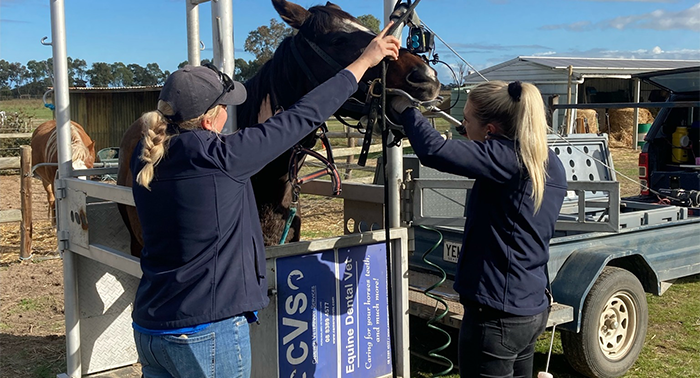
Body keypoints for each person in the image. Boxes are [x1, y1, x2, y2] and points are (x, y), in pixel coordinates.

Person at [129, 24, 400, 378]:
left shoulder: (146, 154)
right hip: (206, 331)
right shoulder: (223, 157)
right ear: (212, 117)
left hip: (151, 327)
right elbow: (304, 115)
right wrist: (365, 61)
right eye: (226, 106)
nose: (230, 112)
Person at [392, 80, 567, 377]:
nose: (463, 125)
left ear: (491, 131)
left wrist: (405, 109)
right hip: (531, 306)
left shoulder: (506, 159)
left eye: (467, 119)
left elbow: (433, 151)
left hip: (496, 317)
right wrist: (468, 131)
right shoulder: (546, 161)